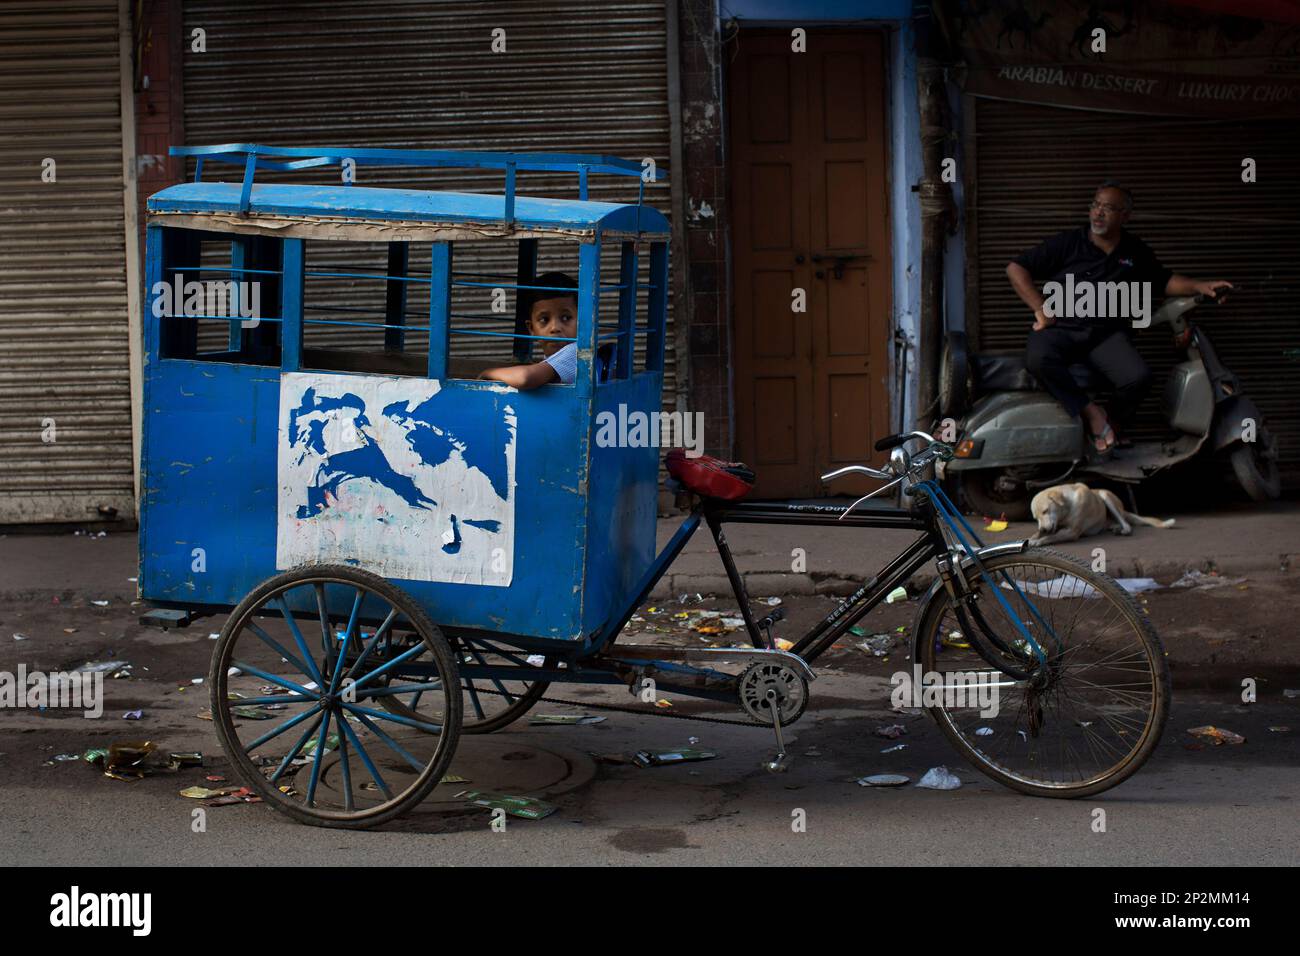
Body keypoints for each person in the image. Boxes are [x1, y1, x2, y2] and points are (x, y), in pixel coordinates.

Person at [1006, 182, 1231, 457]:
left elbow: (1163, 281)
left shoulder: (1134, 251)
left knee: (1139, 378)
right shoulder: (1069, 243)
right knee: (1038, 360)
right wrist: (1040, 308)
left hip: (1104, 334)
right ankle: (1092, 415)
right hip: (1062, 328)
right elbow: (1016, 268)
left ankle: (1108, 423)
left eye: (1109, 208)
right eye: (1096, 205)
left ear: (1125, 216)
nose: (1099, 213)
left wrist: (1199, 286)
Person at [480, 272, 611, 389]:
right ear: (531, 329)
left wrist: (487, 373)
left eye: (566, 318)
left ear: (582, 322)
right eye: (544, 320)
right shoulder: (554, 361)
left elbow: (525, 378)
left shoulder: (577, 352)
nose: (555, 328)